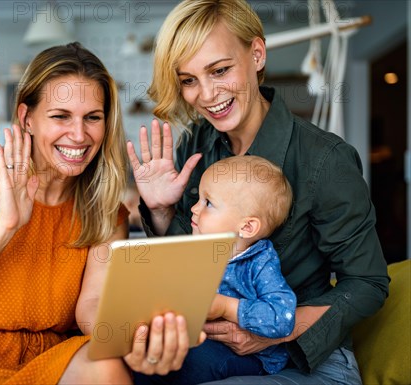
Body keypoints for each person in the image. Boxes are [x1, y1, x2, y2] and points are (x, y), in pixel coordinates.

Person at [127, 1, 389, 384]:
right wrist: (162, 210)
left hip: (304, 360)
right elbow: (193, 262)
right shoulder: (196, 144)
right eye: (188, 80)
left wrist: (268, 332)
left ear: (257, 54)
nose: (206, 94)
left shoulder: (323, 159)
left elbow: (367, 284)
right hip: (214, 348)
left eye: (220, 70)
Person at [0, 41, 176, 384]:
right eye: (60, 116)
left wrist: (131, 340)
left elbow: (93, 304)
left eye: (93, 118)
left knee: (106, 365)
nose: (79, 135)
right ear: (27, 118)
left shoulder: (105, 211)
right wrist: (3, 227)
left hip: (44, 362)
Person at [135, 155, 297, 384]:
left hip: (248, 357)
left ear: (247, 226)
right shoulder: (198, 249)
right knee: (149, 349)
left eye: (208, 203)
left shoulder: (259, 263)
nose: (194, 208)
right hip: (198, 340)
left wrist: (225, 307)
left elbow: (282, 318)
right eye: (198, 199)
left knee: (191, 360)